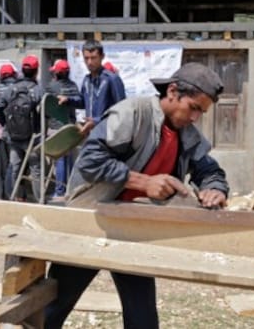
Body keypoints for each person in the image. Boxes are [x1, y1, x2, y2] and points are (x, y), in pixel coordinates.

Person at [45, 62, 230, 329]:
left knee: (143, 319)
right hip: (91, 221)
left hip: (132, 229)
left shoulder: (188, 136)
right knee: (55, 307)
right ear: (173, 91)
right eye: (193, 108)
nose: (195, 118)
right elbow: (90, 161)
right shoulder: (133, 113)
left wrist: (215, 188)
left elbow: (210, 170)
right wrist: (143, 182)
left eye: (201, 112)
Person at [0, 55, 43, 201]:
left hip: (13, 136)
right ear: (36, 71)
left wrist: (6, 124)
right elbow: (46, 111)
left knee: (13, 166)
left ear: (22, 70)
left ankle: (12, 198)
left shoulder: (11, 89)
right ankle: (41, 201)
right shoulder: (38, 90)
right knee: (36, 169)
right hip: (32, 137)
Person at [44, 59, 83, 199]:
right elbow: (79, 101)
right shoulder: (73, 86)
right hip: (71, 126)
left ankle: (60, 191)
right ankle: (70, 189)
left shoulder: (51, 86)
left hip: (56, 128)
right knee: (70, 159)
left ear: (57, 73)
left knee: (60, 160)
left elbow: (44, 105)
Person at [71, 40, 126, 135]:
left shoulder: (112, 79)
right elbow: (83, 101)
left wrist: (96, 121)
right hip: (92, 134)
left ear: (102, 57)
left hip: (109, 135)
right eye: (86, 58)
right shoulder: (87, 80)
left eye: (93, 58)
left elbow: (121, 110)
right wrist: (67, 100)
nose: (89, 62)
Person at [0, 63, 17, 199]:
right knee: (14, 164)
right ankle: (14, 194)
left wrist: (3, 123)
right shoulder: (16, 87)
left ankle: (0, 195)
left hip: (2, 132)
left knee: (2, 166)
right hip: (18, 131)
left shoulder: (0, 87)